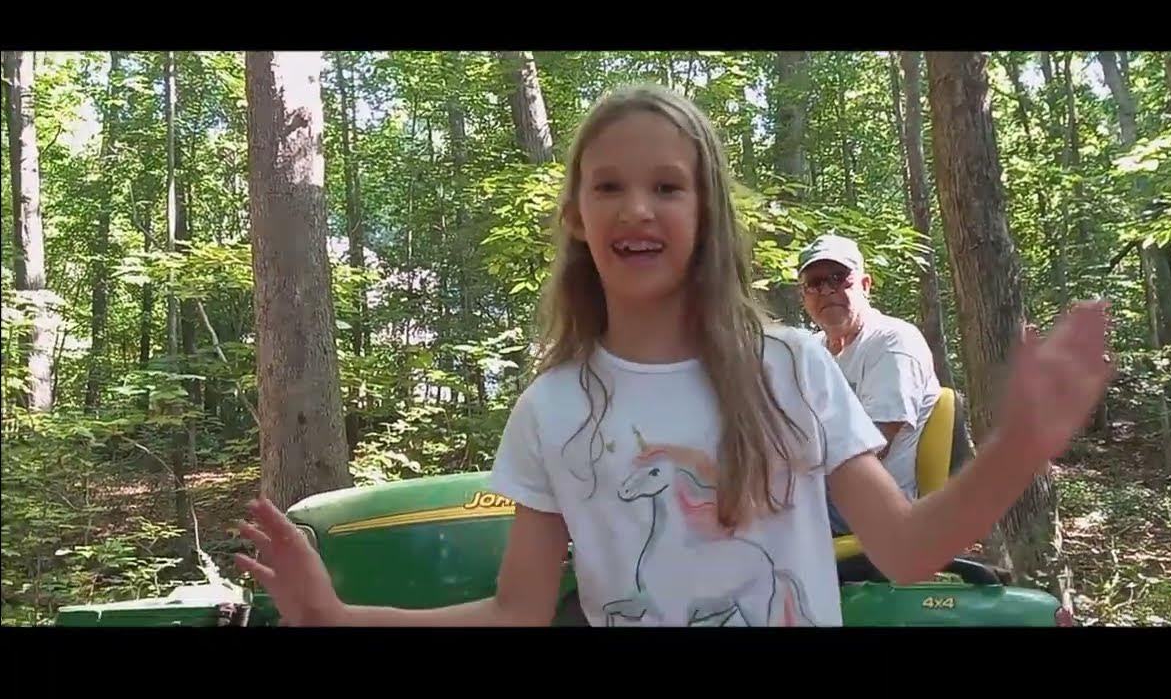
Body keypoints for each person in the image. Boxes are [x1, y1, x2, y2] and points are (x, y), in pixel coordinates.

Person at [233, 84, 1112, 627]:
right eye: (608, 185)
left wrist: (1022, 446)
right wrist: (337, 618)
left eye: (667, 186)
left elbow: (911, 548)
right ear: (578, 215)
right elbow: (517, 611)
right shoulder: (552, 407)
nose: (638, 209)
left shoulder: (794, 365)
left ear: (704, 215)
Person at [795, 234, 940, 534]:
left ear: (865, 285)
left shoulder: (892, 341)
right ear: (805, 296)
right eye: (815, 282)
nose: (827, 290)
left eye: (838, 277)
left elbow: (873, 445)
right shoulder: (811, 351)